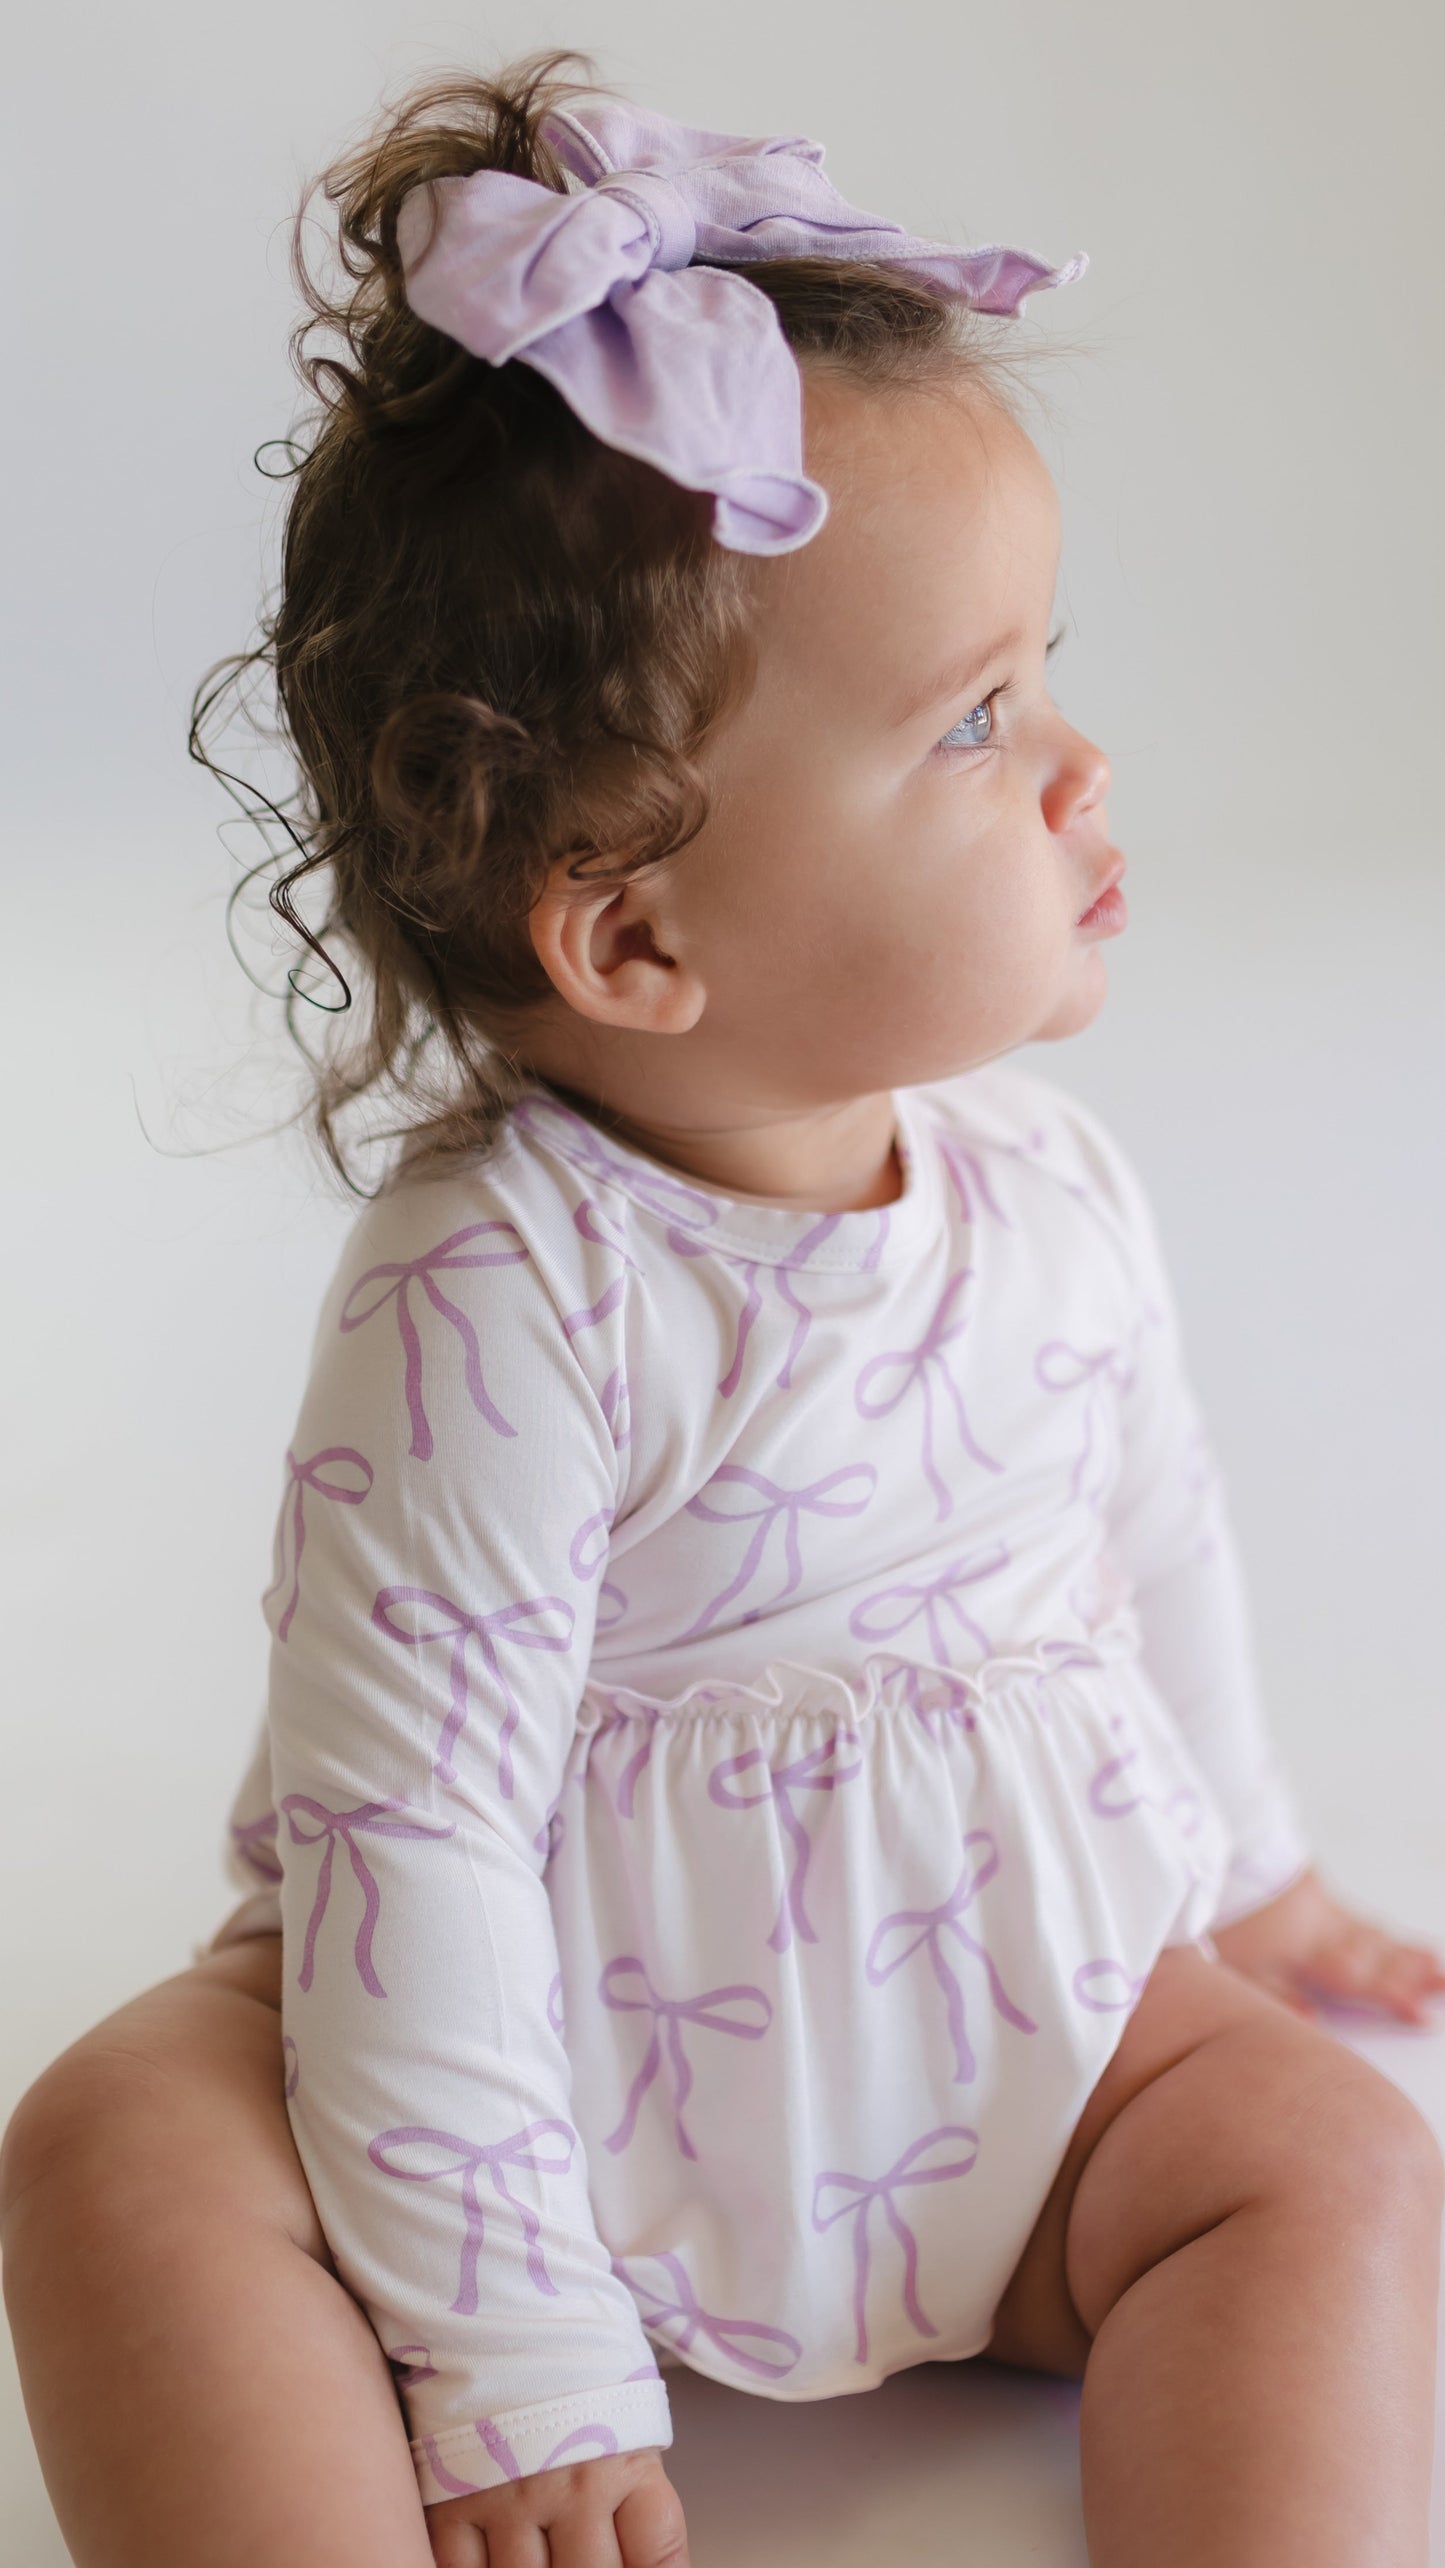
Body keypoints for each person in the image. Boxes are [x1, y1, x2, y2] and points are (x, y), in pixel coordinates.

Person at [4, 45, 1444, 2568]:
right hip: (526, 2052)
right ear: (637, 934)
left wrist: (1247, 1878)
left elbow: (1155, 1529)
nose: (1083, 765)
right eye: (978, 722)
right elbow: (409, 1829)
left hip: (1019, 2027)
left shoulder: (1055, 1194)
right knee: (115, 2152)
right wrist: (514, 2352)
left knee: (1328, 2162)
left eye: (1044, 673)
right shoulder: (501, 1287)